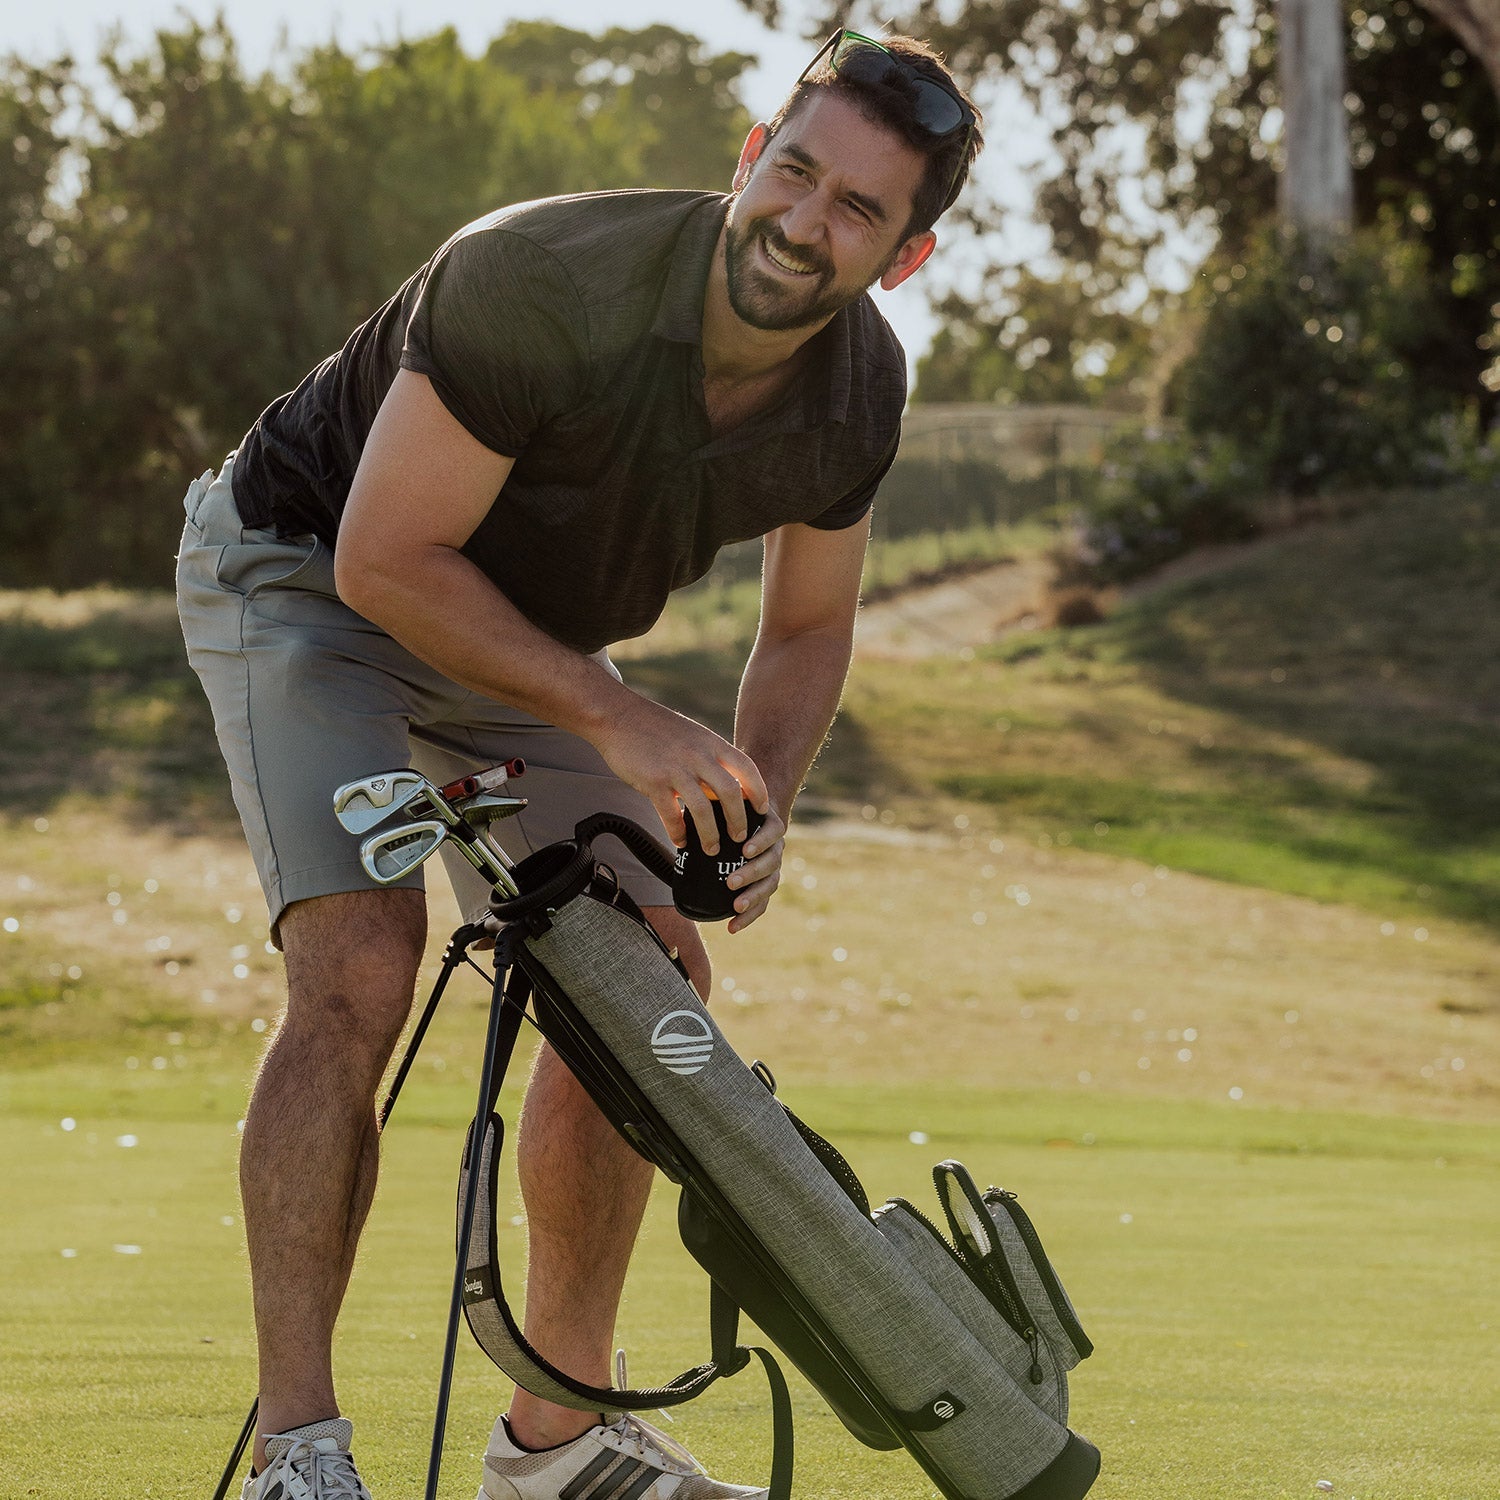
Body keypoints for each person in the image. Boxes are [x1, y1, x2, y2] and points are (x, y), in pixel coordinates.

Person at [177, 28, 981, 1500]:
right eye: (795, 172)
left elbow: (807, 629)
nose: (805, 224)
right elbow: (387, 559)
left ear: (906, 256)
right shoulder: (547, 275)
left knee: (645, 976)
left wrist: (760, 809)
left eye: (859, 210)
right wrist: (626, 721)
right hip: (308, 568)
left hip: (516, 632)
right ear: (750, 157)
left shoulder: (858, 388)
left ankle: (555, 1446)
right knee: (361, 964)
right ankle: (301, 1455)